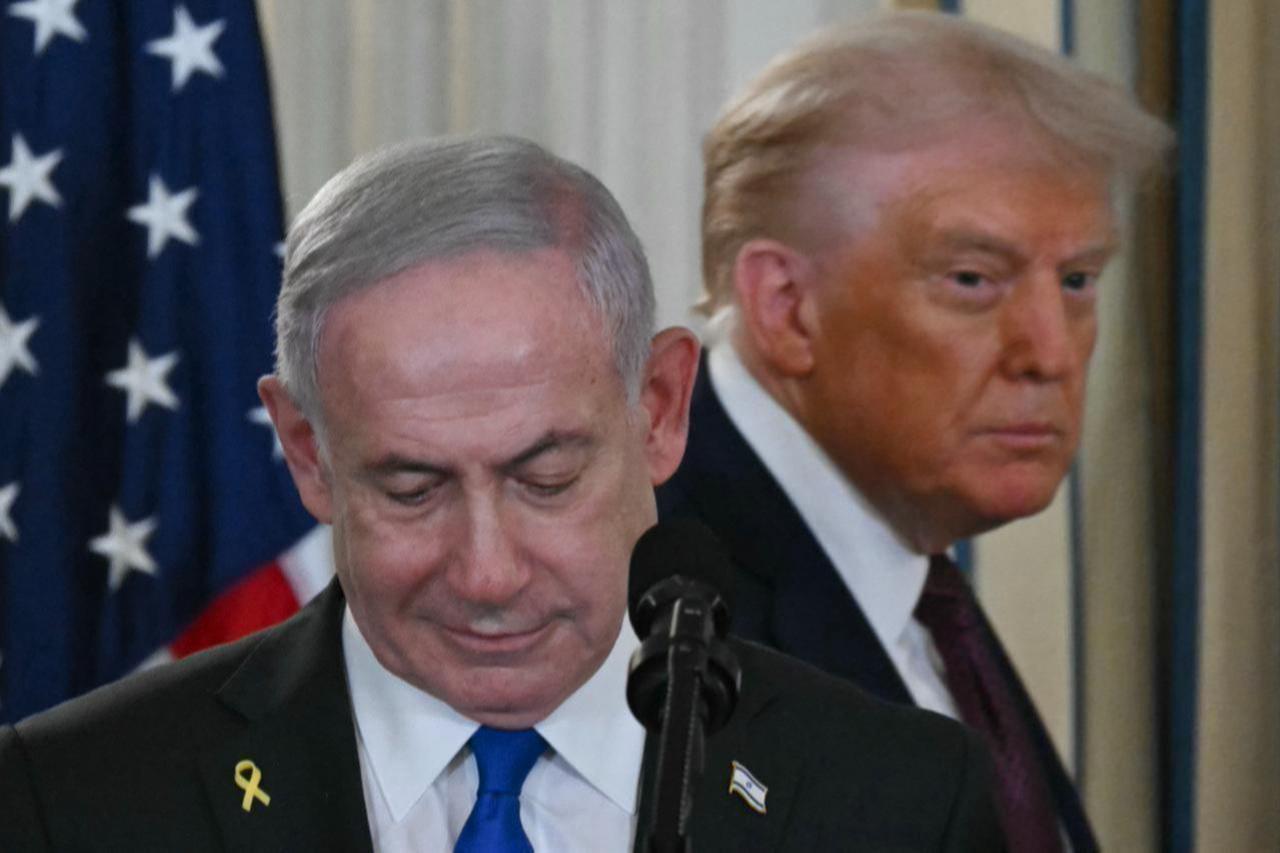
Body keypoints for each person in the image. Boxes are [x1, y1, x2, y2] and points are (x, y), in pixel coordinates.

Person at [0, 135, 1002, 851]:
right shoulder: (73, 802)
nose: (486, 572)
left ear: (658, 409)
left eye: (545, 476)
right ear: (307, 452)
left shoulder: (899, 800)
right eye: (410, 485)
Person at [656, 12, 1173, 853]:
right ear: (786, 306)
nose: (1050, 351)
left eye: (1077, 279)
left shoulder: (910, 554)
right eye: (972, 279)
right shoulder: (652, 604)